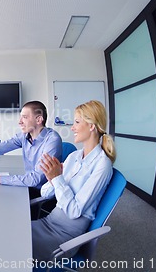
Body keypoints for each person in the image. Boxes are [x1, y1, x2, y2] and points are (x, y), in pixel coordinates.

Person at [31, 100, 116, 261]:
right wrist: (52, 178)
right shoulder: (74, 156)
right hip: (47, 222)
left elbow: (74, 211)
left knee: (10, 245)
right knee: (8, 232)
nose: (72, 127)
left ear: (91, 126)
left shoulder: (102, 165)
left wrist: (57, 179)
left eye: (77, 122)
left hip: (63, 239)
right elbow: (45, 193)